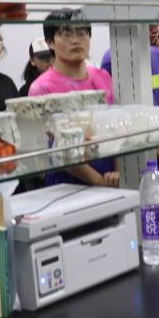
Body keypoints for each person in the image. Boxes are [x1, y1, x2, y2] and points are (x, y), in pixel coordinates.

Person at [99, 0, 159, 177]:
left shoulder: (157, 55)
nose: (156, 29)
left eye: (158, 21)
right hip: (138, 160)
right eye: (149, 21)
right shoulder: (112, 59)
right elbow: (120, 121)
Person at [31, 10, 118, 187]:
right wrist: (97, 180)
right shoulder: (41, 87)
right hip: (66, 185)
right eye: (66, 33)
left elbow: (115, 128)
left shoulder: (103, 77)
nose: (76, 40)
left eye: (82, 32)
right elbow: (57, 147)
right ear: (50, 42)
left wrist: (118, 170)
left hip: (110, 178)